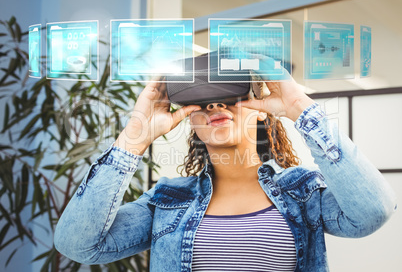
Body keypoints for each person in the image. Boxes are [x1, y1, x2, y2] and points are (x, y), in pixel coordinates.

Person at [54, 72, 397, 271]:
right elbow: (78, 244)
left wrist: (298, 107)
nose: (215, 105)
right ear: (190, 119)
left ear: (261, 108)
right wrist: (135, 136)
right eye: (201, 99)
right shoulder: (167, 201)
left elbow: (373, 212)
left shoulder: (302, 192)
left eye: (228, 93)